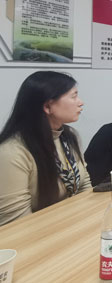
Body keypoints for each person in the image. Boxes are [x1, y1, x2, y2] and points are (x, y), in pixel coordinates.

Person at [0, 71, 91, 226]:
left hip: (72, 224)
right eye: (74, 96)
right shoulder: (12, 153)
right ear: (48, 107)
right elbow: (17, 224)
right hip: (37, 234)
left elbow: (84, 185)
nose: (80, 102)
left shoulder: (68, 136)